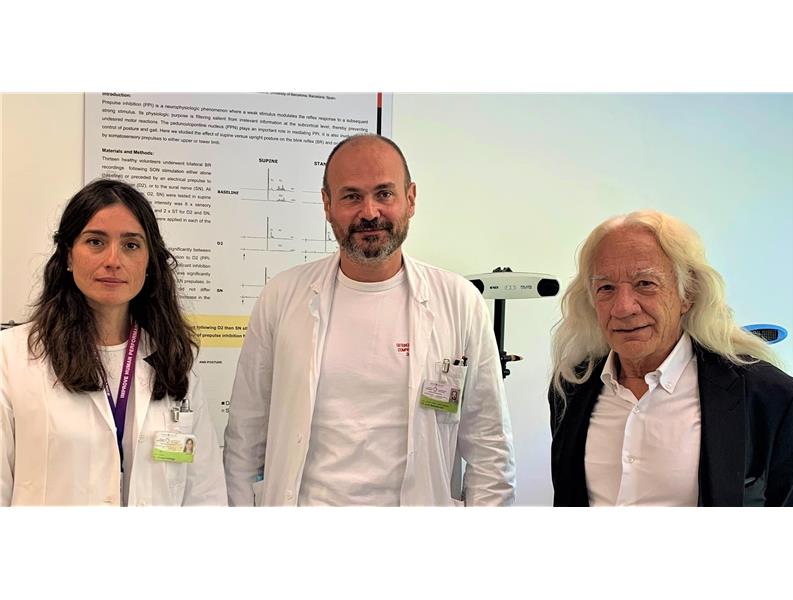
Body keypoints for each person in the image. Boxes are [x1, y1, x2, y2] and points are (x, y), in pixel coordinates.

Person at [224, 134, 515, 506]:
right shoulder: (282, 296)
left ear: (410, 199)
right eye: (351, 196)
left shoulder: (460, 301)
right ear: (327, 204)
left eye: (384, 193)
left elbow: (490, 447)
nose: (370, 212)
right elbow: (245, 436)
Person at [549, 210, 793, 506]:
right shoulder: (571, 387)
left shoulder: (770, 397)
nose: (623, 307)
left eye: (645, 283)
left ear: (687, 293)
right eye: (606, 288)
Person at [0, 179, 226, 506]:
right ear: (68, 255)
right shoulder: (11, 357)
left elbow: (204, 495)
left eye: (131, 245)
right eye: (95, 242)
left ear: (149, 262)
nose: (113, 260)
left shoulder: (173, 359)